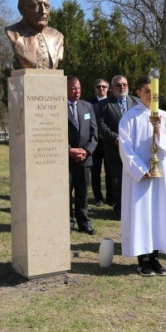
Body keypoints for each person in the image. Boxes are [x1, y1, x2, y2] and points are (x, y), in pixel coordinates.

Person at [119, 75, 166, 276]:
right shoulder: (129, 117)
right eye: (146, 91)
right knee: (141, 213)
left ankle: (155, 256)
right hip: (140, 176)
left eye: (154, 92)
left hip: (160, 172)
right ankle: (142, 258)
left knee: (158, 213)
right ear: (138, 92)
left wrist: (159, 130)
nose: (150, 96)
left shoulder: (164, 116)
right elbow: (125, 146)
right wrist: (139, 168)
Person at [97, 75, 140, 217]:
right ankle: (120, 209)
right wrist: (115, 138)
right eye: (118, 85)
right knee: (118, 181)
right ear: (112, 88)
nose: (122, 87)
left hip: (135, 150)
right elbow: (101, 125)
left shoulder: (136, 102)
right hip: (115, 149)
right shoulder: (105, 104)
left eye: (124, 84)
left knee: (134, 178)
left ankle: (134, 209)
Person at [4, 0, 64, 69]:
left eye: (46, 6)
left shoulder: (57, 36)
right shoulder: (13, 32)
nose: (43, 11)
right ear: (21, 9)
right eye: (36, 6)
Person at [67, 76, 98, 234]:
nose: (77, 91)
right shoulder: (57, 107)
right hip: (66, 158)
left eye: (78, 88)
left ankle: (84, 223)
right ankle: (68, 222)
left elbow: (94, 133)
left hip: (85, 158)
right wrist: (69, 150)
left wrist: (87, 151)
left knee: (82, 192)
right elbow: (54, 134)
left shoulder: (87, 106)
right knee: (66, 191)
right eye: (73, 88)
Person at [89, 78, 110, 206]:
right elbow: (88, 122)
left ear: (108, 88)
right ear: (95, 89)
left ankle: (111, 197)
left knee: (110, 171)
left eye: (103, 86)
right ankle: (98, 197)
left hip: (110, 143)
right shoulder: (89, 104)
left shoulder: (112, 103)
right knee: (95, 172)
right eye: (98, 87)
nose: (101, 89)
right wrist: (97, 135)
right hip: (95, 143)